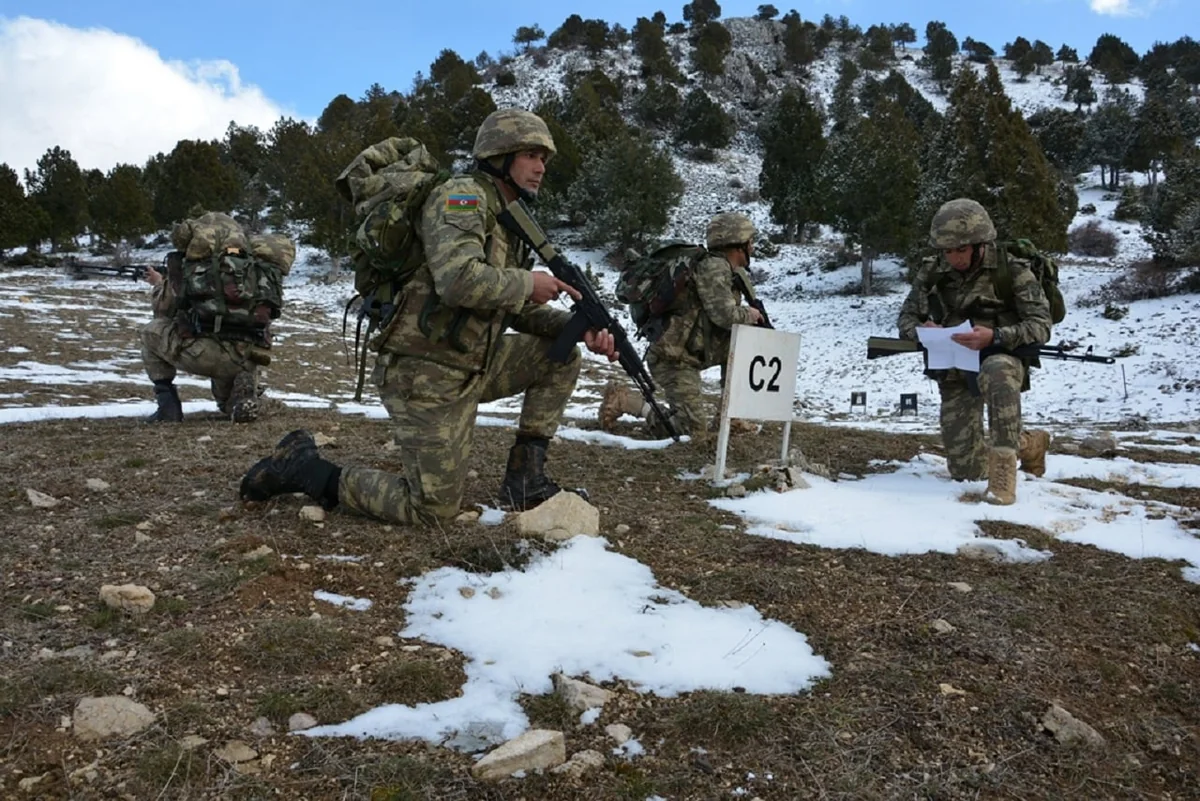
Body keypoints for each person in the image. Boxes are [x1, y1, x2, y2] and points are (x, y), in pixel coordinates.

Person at [239, 108, 617, 524]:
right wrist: (529, 282)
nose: (541, 167)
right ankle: (304, 468)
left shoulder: (507, 219)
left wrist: (578, 330)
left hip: (471, 362)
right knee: (432, 511)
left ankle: (525, 479)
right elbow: (457, 280)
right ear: (499, 156)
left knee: (561, 354)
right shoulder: (462, 197)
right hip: (424, 374)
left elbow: (508, 304)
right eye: (531, 155)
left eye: (544, 158)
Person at [897, 198, 1052, 505]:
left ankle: (1003, 480)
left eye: (961, 250)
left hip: (999, 355)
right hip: (953, 363)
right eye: (947, 250)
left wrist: (995, 336)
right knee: (966, 471)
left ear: (980, 244)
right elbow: (905, 319)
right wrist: (926, 330)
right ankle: (1030, 443)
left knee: (998, 371)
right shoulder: (933, 271)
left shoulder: (1012, 270)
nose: (953, 257)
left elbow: (1040, 325)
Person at [598, 212, 763, 442]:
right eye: (750, 242)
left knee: (744, 344)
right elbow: (725, 315)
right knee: (691, 431)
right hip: (673, 358)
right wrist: (751, 314)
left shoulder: (728, 271)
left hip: (692, 352)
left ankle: (730, 417)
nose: (753, 247)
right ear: (738, 244)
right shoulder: (714, 268)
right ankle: (627, 402)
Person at [140, 263, 262, 424]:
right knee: (227, 405)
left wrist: (159, 284)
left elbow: (162, 310)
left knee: (150, 331)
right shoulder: (251, 269)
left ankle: (168, 408)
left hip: (205, 353)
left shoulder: (188, 264)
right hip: (247, 354)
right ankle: (244, 398)